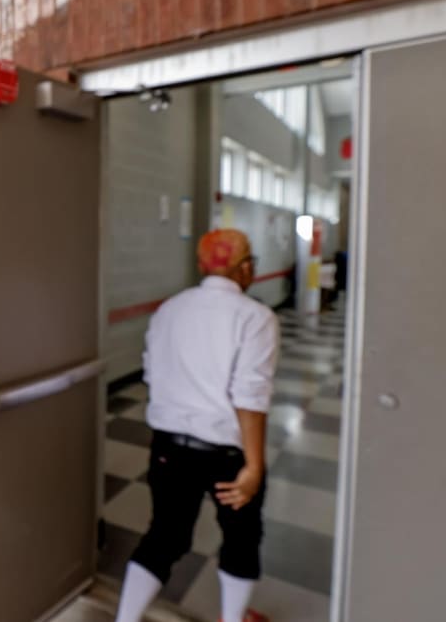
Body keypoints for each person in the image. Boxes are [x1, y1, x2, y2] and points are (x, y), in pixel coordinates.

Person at [114, 229, 279, 622]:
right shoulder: (256, 317)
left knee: (165, 537)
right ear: (244, 268)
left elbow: (154, 375)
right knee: (241, 538)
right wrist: (254, 467)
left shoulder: (170, 309)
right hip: (227, 455)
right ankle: (233, 617)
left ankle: (125, 620)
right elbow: (250, 399)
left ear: (202, 266)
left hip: (169, 448)